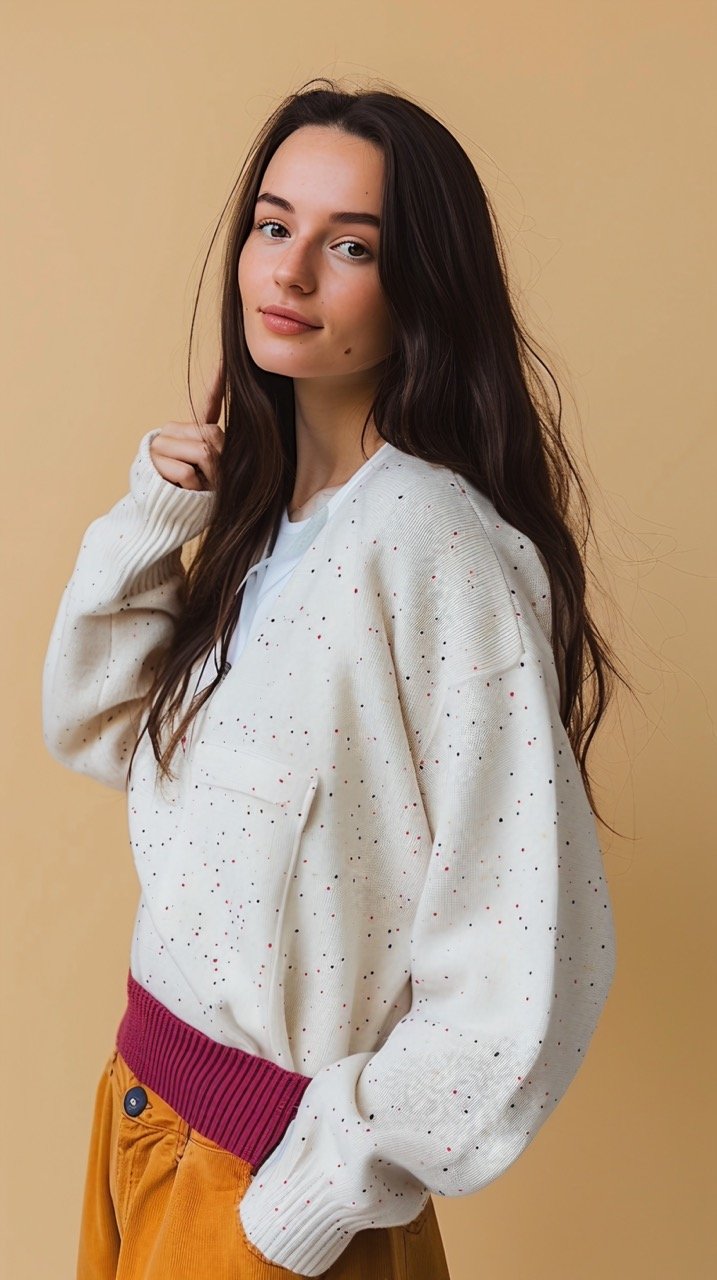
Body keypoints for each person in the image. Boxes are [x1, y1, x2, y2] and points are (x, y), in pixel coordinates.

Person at [42, 77, 621, 1280]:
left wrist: (301, 1207)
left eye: (348, 245)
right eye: (272, 224)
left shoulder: (433, 541)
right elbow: (98, 725)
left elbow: (529, 946)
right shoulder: (270, 526)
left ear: (420, 293)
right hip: (144, 1122)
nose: (289, 272)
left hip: (261, 1188)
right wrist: (166, 507)